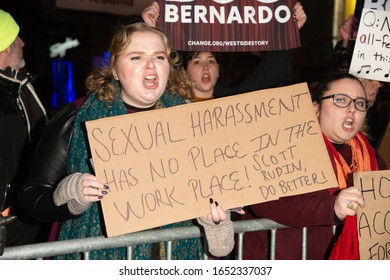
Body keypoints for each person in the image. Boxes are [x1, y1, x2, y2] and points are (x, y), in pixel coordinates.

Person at [238, 72, 388, 260]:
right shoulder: (285, 143)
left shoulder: (366, 152)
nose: (352, 109)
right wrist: (331, 207)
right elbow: (264, 201)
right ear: (316, 107)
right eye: (341, 100)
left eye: (360, 103)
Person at [142, 1, 307, 101]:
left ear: (219, 71)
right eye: (197, 62)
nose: (206, 67)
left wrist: (289, 32)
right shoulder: (169, 102)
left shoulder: (233, 99)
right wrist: (154, 30)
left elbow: (270, 74)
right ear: (184, 72)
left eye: (211, 61)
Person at [0, 9, 48, 248]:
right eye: (17, 36)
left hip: (23, 219)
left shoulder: (16, 88)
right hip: (9, 225)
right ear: (7, 45)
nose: (23, 42)